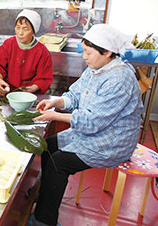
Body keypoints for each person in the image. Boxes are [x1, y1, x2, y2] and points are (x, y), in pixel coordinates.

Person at [28, 24, 143, 226]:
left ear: (107, 52)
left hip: (112, 141)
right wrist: (56, 102)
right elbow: (75, 95)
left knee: (59, 163)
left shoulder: (119, 78)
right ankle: (45, 195)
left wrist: (54, 116)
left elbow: (92, 122)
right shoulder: (96, 68)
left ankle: (43, 221)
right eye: (84, 51)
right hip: (95, 132)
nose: (84, 57)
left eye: (88, 53)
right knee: (48, 147)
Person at [0, 9, 53, 96]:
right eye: (18, 27)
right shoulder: (8, 45)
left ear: (33, 30)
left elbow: (44, 77)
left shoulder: (42, 51)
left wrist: (35, 87)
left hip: (30, 95)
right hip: (8, 92)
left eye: (25, 29)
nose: (20, 33)